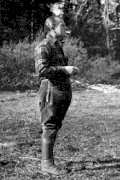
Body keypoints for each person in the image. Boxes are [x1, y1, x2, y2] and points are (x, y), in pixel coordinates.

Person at [35, 16, 79, 175]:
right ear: (52, 29)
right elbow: (42, 71)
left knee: (54, 126)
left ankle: (48, 160)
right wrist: (65, 70)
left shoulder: (57, 45)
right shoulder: (43, 46)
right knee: (50, 126)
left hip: (60, 91)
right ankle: (47, 164)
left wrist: (67, 71)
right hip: (51, 91)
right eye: (62, 25)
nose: (65, 28)